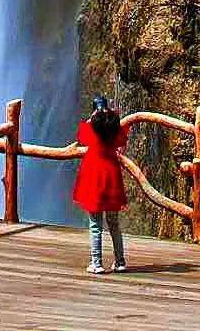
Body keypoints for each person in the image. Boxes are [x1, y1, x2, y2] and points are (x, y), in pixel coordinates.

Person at [72, 94, 130, 275]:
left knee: (95, 224)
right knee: (114, 223)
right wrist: (110, 115)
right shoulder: (114, 128)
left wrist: (93, 118)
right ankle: (120, 261)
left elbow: (81, 135)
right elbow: (122, 138)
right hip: (111, 175)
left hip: (94, 176)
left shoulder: (93, 128)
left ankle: (96, 263)